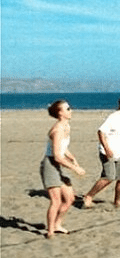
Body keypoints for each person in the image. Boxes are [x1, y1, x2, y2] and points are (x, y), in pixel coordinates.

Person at [83, 94, 120, 208]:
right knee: (109, 177)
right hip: (107, 151)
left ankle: (117, 201)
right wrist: (107, 149)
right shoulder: (114, 117)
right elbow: (101, 132)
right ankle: (88, 196)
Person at [40, 100, 86, 238]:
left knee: (70, 198)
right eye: (68, 108)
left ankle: (57, 224)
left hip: (59, 165)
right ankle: (50, 232)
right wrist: (74, 169)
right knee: (56, 201)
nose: (71, 110)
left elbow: (63, 149)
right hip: (50, 165)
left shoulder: (66, 126)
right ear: (60, 113)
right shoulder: (57, 130)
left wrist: (73, 158)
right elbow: (57, 156)